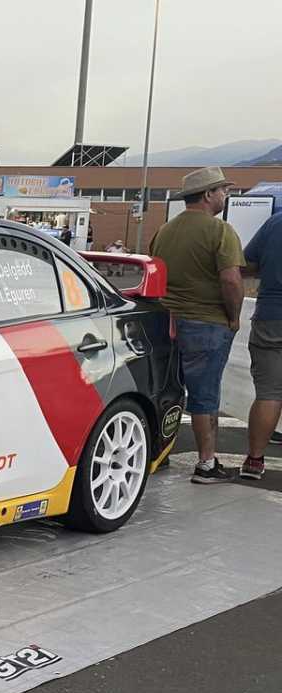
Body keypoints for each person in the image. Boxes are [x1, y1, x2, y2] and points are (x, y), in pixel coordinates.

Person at [149, 166, 245, 484]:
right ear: (207, 194)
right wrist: (234, 317)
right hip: (207, 323)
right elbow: (231, 280)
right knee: (205, 396)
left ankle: (158, 453)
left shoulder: (164, 231)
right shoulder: (221, 231)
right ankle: (206, 464)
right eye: (222, 190)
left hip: (166, 321)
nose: (225, 195)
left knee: (167, 390)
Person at [239, 209, 282, 478]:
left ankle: (254, 461)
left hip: (271, 314)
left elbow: (246, 264)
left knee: (269, 392)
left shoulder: (276, 222)